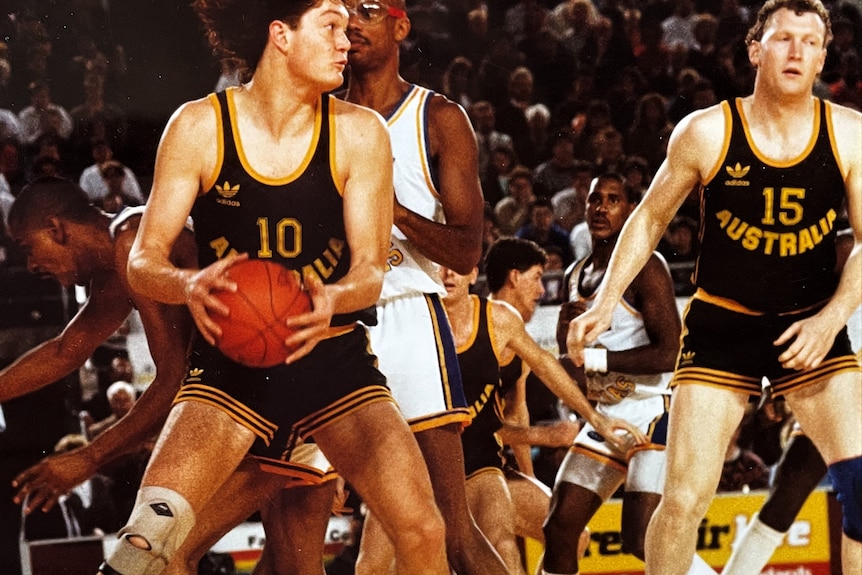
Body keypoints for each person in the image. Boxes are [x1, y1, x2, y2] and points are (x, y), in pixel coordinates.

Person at [565, 2, 862, 573]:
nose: (797, 50)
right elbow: (649, 217)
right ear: (755, 49)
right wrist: (605, 301)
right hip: (724, 325)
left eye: (810, 41)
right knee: (681, 502)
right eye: (783, 38)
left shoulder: (848, 133)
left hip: (810, 324)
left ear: (824, 56)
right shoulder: (708, 130)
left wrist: (831, 321)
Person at [3, 178, 339, 575]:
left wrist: (90, 457)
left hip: (275, 390)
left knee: (161, 556)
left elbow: (174, 380)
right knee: (287, 564)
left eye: (28, 248)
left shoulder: (133, 243)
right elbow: (65, 351)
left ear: (57, 228)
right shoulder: (122, 250)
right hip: (283, 388)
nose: (30, 266)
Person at [340, 2, 509, 574]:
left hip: (409, 312)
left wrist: (397, 214)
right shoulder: (319, 116)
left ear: (400, 25)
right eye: (343, 10)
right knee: (300, 513)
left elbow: (466, 250)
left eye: (368, 9)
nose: (353, 21)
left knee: (452, 530)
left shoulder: (436, 117)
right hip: (333, 316)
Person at [541, 172, 714, 575]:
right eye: (595, 199)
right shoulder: (573, 275)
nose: (601, 207)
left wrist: (599, 361)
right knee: (560, 527)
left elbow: (671, 352)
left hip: (653, 410)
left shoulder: (647, 266)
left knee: (641, 538)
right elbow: (574, 359)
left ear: (630, 210)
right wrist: (564, 334)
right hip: (608, 414)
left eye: (613, 200)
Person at [443, 236, 645, 574]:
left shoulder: (509, 328)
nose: (542, 289)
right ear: (514, 277)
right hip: (450, 456)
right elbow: (484, 423)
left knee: (569, 535)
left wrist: (529, 475)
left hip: (487, 465)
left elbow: (515, 410)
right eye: (537, 276)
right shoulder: (457, 322)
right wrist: (547, 437)